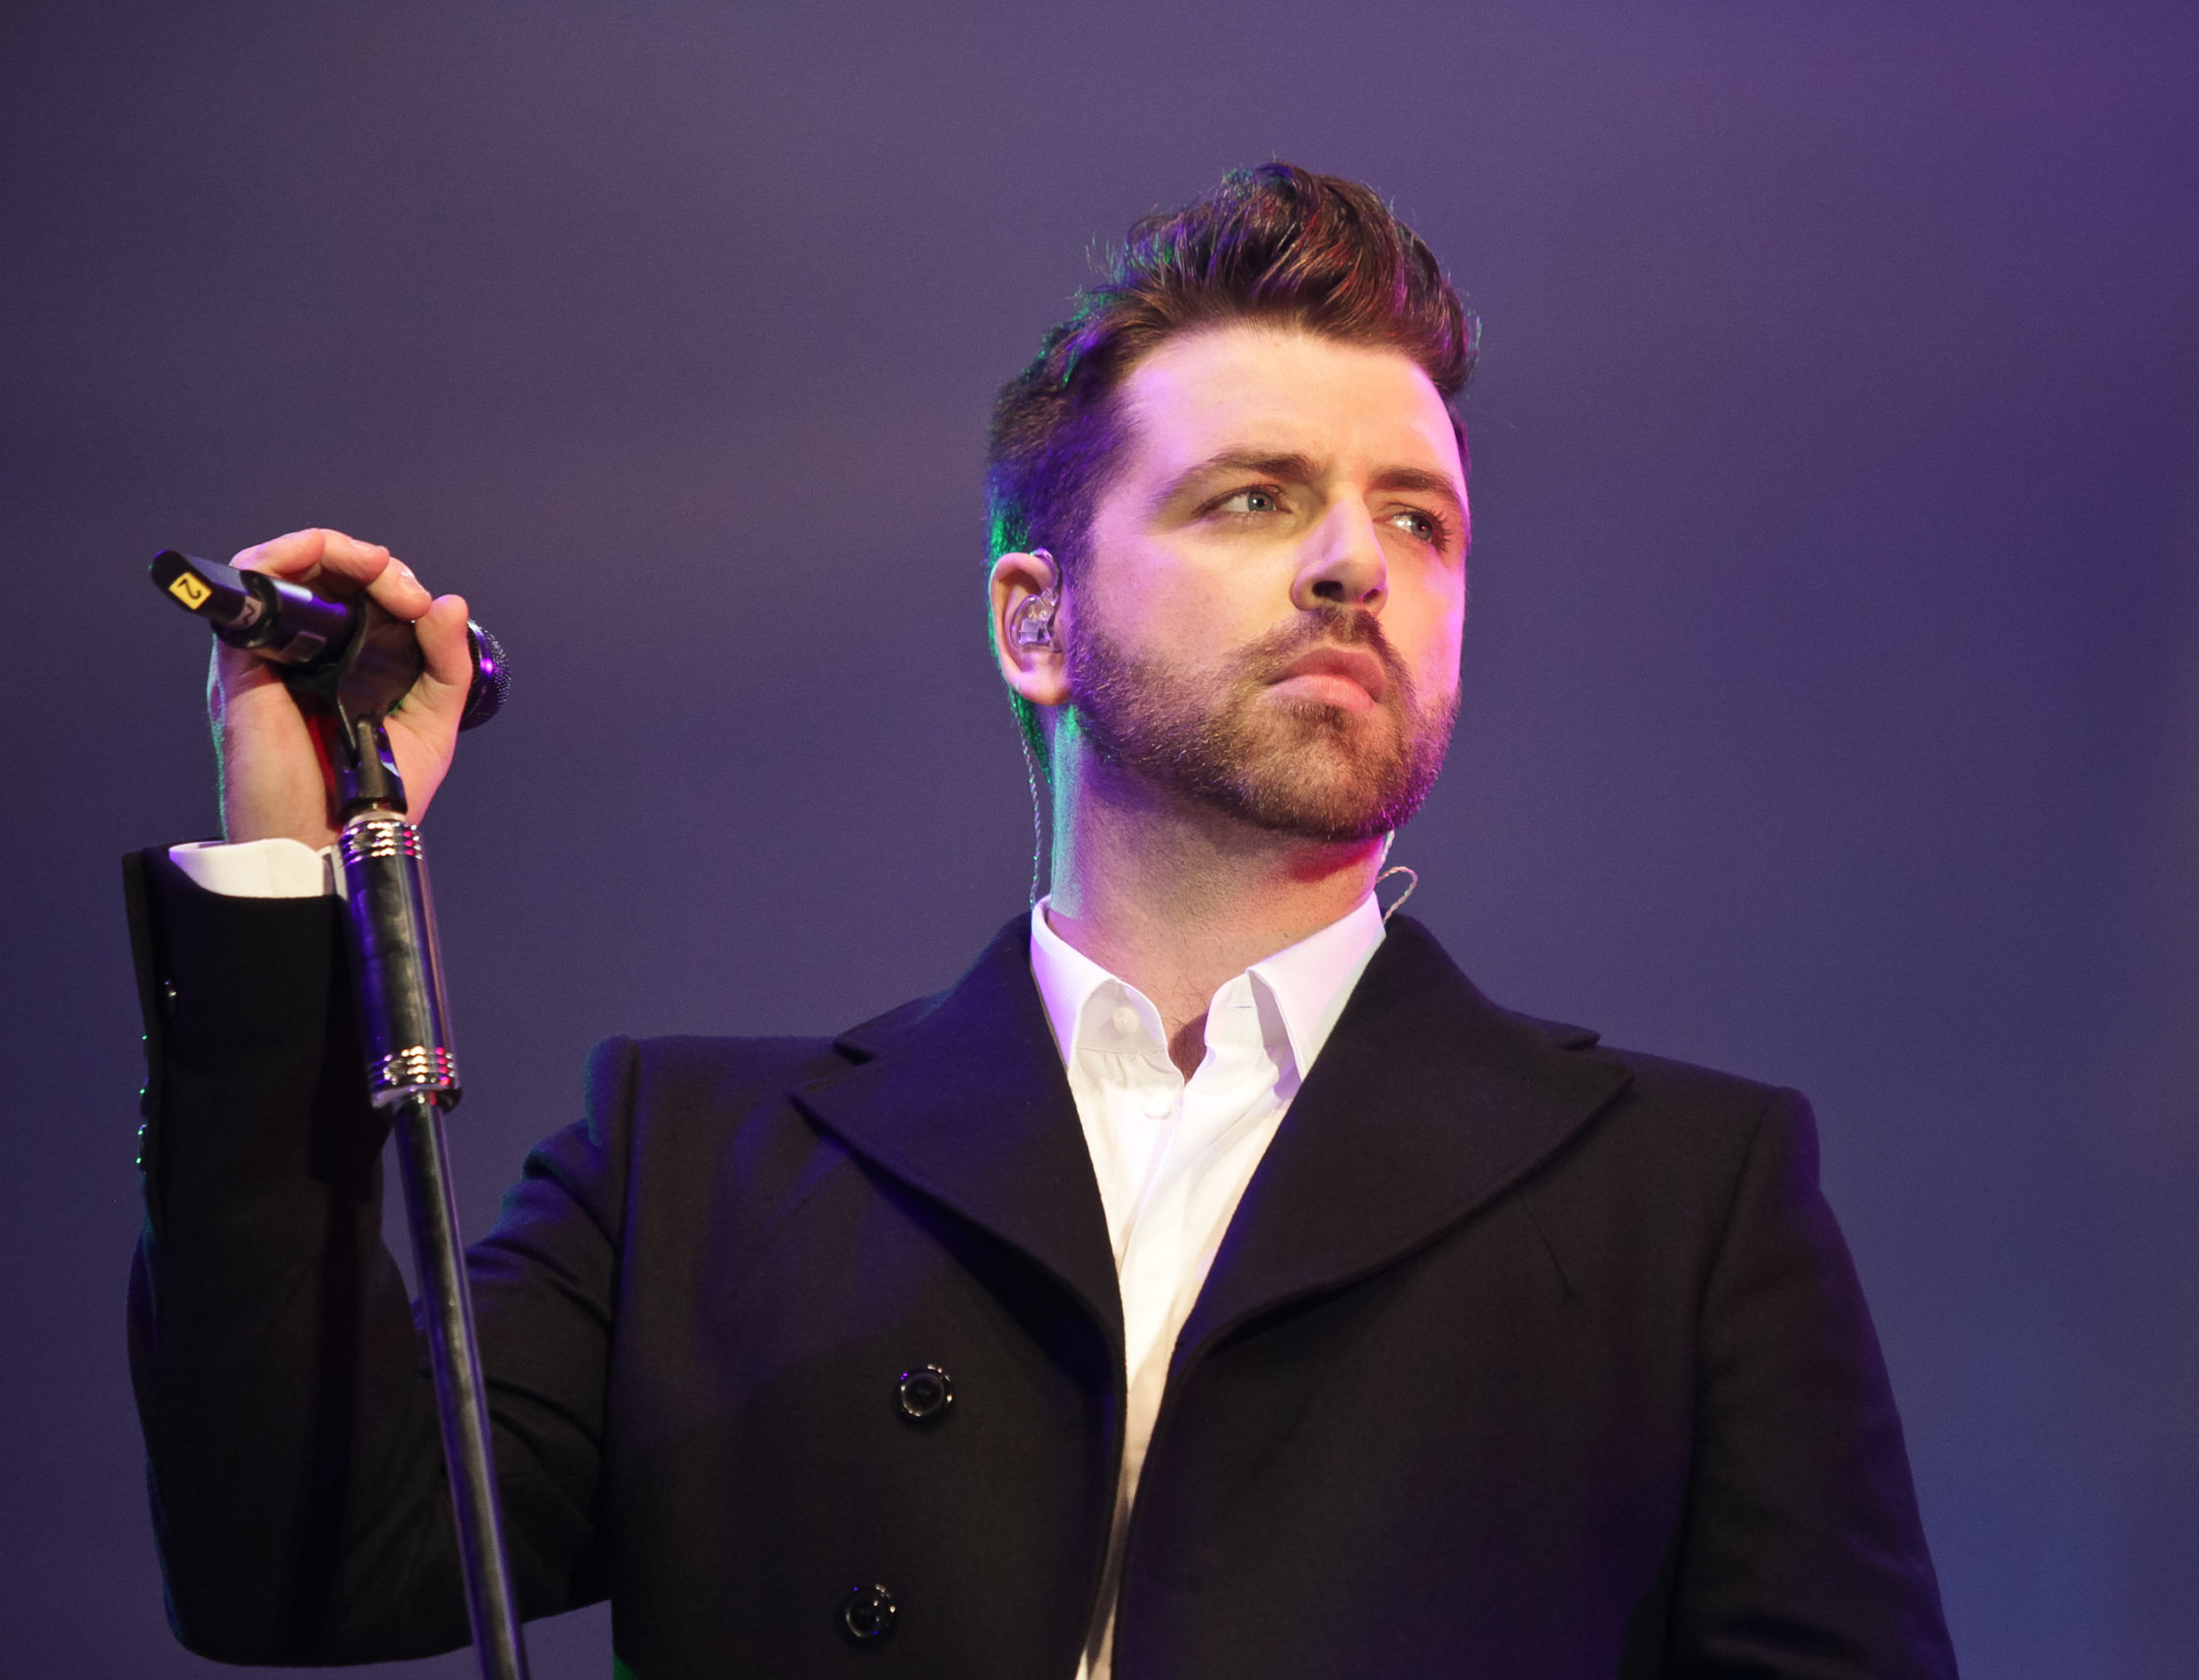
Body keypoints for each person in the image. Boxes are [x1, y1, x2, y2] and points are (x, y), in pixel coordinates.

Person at [125, 164, 1957, 1678]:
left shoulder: (1677, 1195)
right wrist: (293, 870)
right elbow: (300, 1564)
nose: (1354, 563)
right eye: (1257, 498)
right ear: (1036, 619)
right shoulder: (695, 1166)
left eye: (1421, 523)